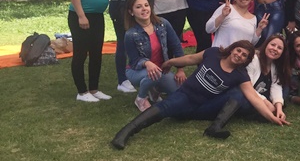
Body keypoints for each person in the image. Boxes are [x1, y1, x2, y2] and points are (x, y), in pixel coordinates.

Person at [111, 40, 288, 150]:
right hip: (185, 98)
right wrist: (170, 62)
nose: (240, 55)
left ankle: (214, 128)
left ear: (247, 61)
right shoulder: (213, 53)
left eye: (244, 56)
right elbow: (190, 59)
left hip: (204, 108)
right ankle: (124, 133)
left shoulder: (240, 75)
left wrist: (273, 118)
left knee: (238, 93)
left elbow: (254, 97)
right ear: (232, 49)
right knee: (164, 107)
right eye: (238, 51)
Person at [204, 34, 292, 139]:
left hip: (258, 95)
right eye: (272, 45)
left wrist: (279, 108)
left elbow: (276, 86)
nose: (275, 49)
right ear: (266, 45)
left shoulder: (275, 66)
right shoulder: (254, 60)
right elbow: (247, 87)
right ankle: (216, 126)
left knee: (283, 92)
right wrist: (265, 101)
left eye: (279, 48)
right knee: (244, 98)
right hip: (246, 94)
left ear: (283, 52)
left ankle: (255, 112)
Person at [124, 0, 185, 111]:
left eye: (146, 5)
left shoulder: (163, 24)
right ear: (131, 12)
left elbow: (176, 45)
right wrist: (147, 63)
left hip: (161, 70)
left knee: (180, 92)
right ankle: (141, 98)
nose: (144, 9)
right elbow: (134, 61)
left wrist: (180, 69)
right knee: (154, 73)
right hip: (136, 71)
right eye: (138, 7)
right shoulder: (130, 34)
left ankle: (154, 90)